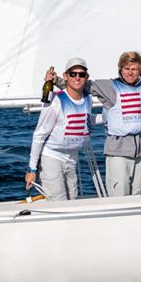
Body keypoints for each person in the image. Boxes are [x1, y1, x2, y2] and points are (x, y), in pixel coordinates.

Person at [49, 52, 141, 196]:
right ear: (120, 69)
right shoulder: (109, 86)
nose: (130, 72)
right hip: (118, 152)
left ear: (140, 71)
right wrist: (57, 81)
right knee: (119, 198)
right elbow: (81, 85)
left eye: (134, 69)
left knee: (137, 195)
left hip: (140, 152)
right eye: (126, 68)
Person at [25, 58, 92, 201]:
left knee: (72, 198)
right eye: (73, 74)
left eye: (81, 74)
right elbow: (39, 135)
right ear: (66, 76)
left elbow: (85, 120)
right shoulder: (55, 100)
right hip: (52, 157)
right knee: (58, 201)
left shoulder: (88, 99)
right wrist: (32, 169)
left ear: (87, 77)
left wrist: (108, 117)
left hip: (72, 158)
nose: (77, 77)